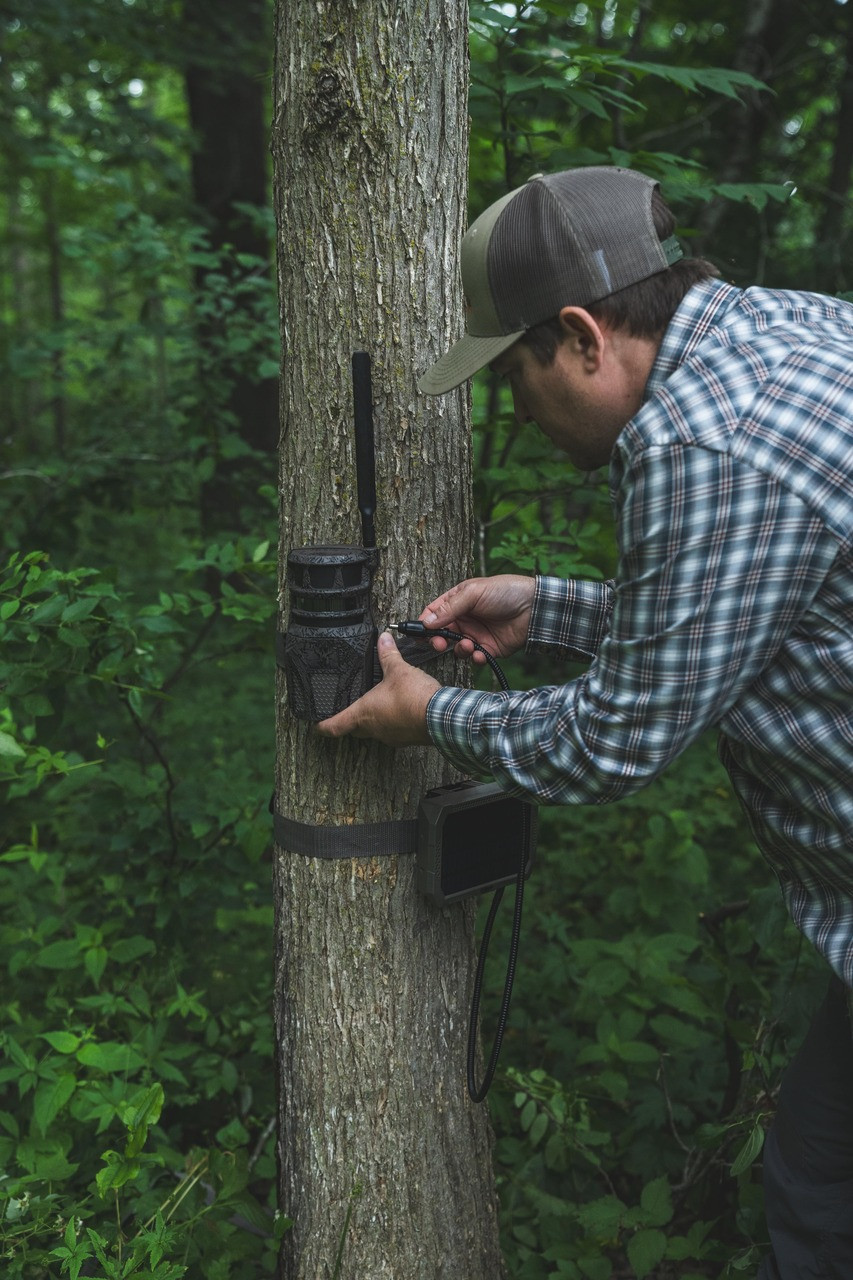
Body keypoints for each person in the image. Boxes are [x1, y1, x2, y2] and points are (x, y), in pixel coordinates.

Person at [316, 166, 853, 1277]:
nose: (517, 406)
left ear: (580, 335)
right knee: (819, 1167)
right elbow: (765, 608)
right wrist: (549, 604)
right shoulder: (794, 332)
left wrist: (433, 715)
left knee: (819, 1190)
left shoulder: (701, 445)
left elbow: (617, 739)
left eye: (515, 373)